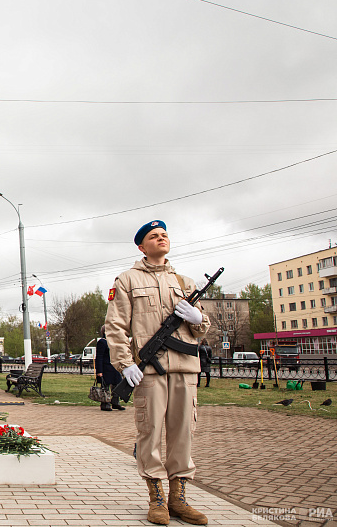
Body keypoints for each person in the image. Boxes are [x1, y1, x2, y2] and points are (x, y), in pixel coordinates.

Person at [105, 220, 211, 526]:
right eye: (154, 236)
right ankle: (157, 500)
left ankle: (179, 499)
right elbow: (115, 326)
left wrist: (198, 318)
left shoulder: (185, 282)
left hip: (185, 368)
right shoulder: (127, 280)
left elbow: (202, 328)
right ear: (142, 246)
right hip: (149, 371)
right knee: (149, 433)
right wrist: (125, 363)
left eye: (164, 234)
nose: (161, 238)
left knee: (183, 434)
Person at [94, 325, 125, 411]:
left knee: (118, 384)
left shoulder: (114, 341)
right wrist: (99, 371)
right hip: (106, 368)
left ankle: (115, 402)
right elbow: (99, 357)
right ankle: (105, 403)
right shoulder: (102, 342)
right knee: (105, 386)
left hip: (114, 367)